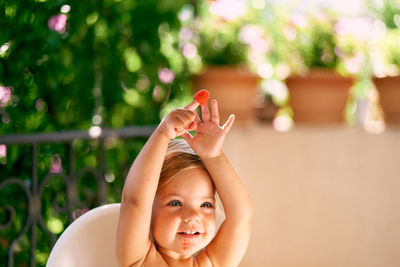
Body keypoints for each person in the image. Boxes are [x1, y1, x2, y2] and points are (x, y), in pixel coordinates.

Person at [116, 96, 253, 267]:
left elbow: (240, 216)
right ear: (148, 211)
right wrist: (163, 133)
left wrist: (214, 157)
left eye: (206, 205)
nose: (193, 216)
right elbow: (135, 202)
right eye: (175, 202)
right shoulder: (141, 261)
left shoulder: (213, 263)